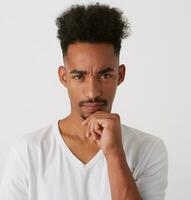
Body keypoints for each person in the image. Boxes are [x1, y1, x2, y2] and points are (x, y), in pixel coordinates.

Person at [0, 3, 168, 200]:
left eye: (105, 75)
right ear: (64, 77)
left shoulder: (148, 150)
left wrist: (114, 154)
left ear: (120, 75)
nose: (92, 92)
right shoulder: (28, 152)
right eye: (79, 76)